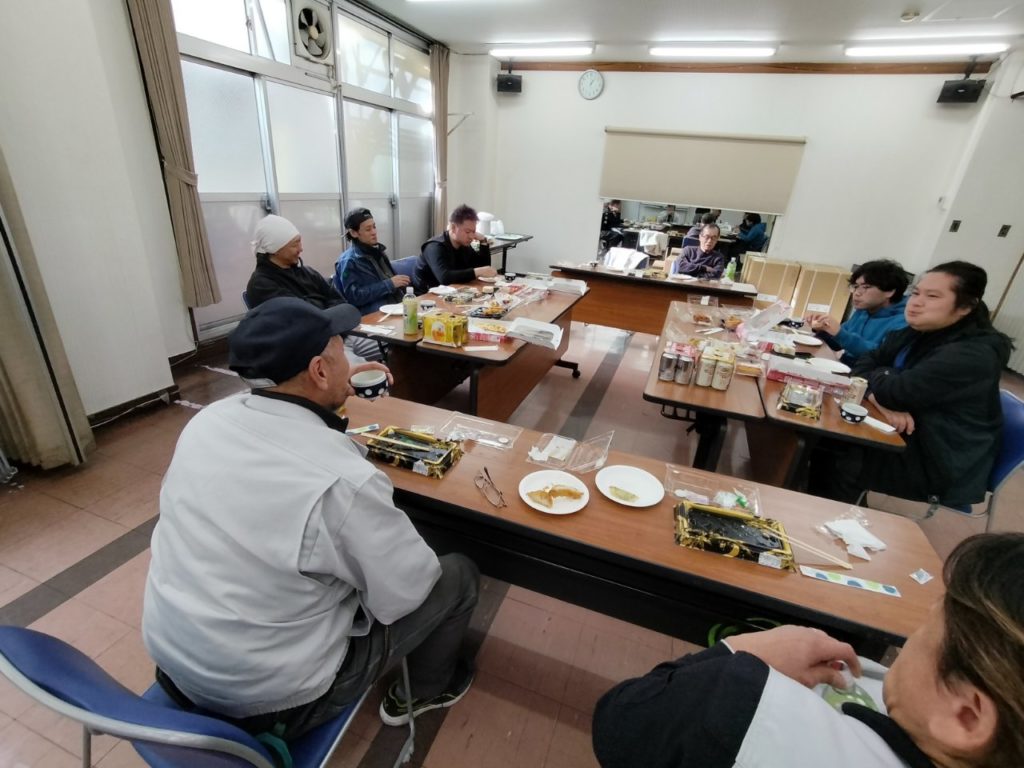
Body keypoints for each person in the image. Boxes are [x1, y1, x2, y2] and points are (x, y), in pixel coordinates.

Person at [142, 297, 480, 739]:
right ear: (319, 370)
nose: (349, 362)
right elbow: (406, 593)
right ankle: (424, 691)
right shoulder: (343, 482)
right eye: (342, 352)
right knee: (457, 575)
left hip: (174, 662)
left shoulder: (206, 423)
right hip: (267, 701)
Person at [593, 532, 1024, 768]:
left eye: (933, 623)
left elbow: (620, 721)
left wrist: (742, 652)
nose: (916, 632)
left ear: (966, 717)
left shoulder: (736, 703)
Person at [813, 261, 1012, 507]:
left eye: (932, 296)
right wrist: (879, 397)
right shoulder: (920, 331)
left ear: (965, 306)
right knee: (820, 432)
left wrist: (879, 383)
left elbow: (896, 391)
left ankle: (837, 517)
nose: (916, 302)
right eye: (916, 293)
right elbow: (866, 361)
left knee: (839, 453)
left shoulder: (973, 354)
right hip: (906, 430)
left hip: (937, 457)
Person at [805, 259, 910, 365]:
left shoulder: (903, 321)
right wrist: (824, 330)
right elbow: (839, 344)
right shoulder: (864, 310)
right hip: (846, 364)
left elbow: (879, 356)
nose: (857, 293)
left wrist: (840, 333)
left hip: (867, 372)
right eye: (855, 286)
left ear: (890, 291)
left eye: (866, 287)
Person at [245, 214, 343, 310]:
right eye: (294, 245)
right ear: (275, 249)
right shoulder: (261, 285)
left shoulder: (308, 273)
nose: (301, 249)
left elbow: (339, 300)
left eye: (300, 242)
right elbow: (300, 314)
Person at [333, 207, 411, 314]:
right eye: (368, 229)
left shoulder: (377, 252)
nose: (374, 232)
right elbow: (353, 297)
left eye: (374, 227)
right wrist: (389, 284)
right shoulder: (348, 261)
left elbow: (392, 282)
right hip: (372, 315)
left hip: (394, 308)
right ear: (354, 233)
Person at [415, 204, 498, 290]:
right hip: (427, 295)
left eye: (473, 232)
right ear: (453, 227)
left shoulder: (463, 244)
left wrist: (483, 242)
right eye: (467, 232)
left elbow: (484, 269)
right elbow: (444, 278)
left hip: (453, 291)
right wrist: (477, 272)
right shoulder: (434, 247)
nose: (471, 236)